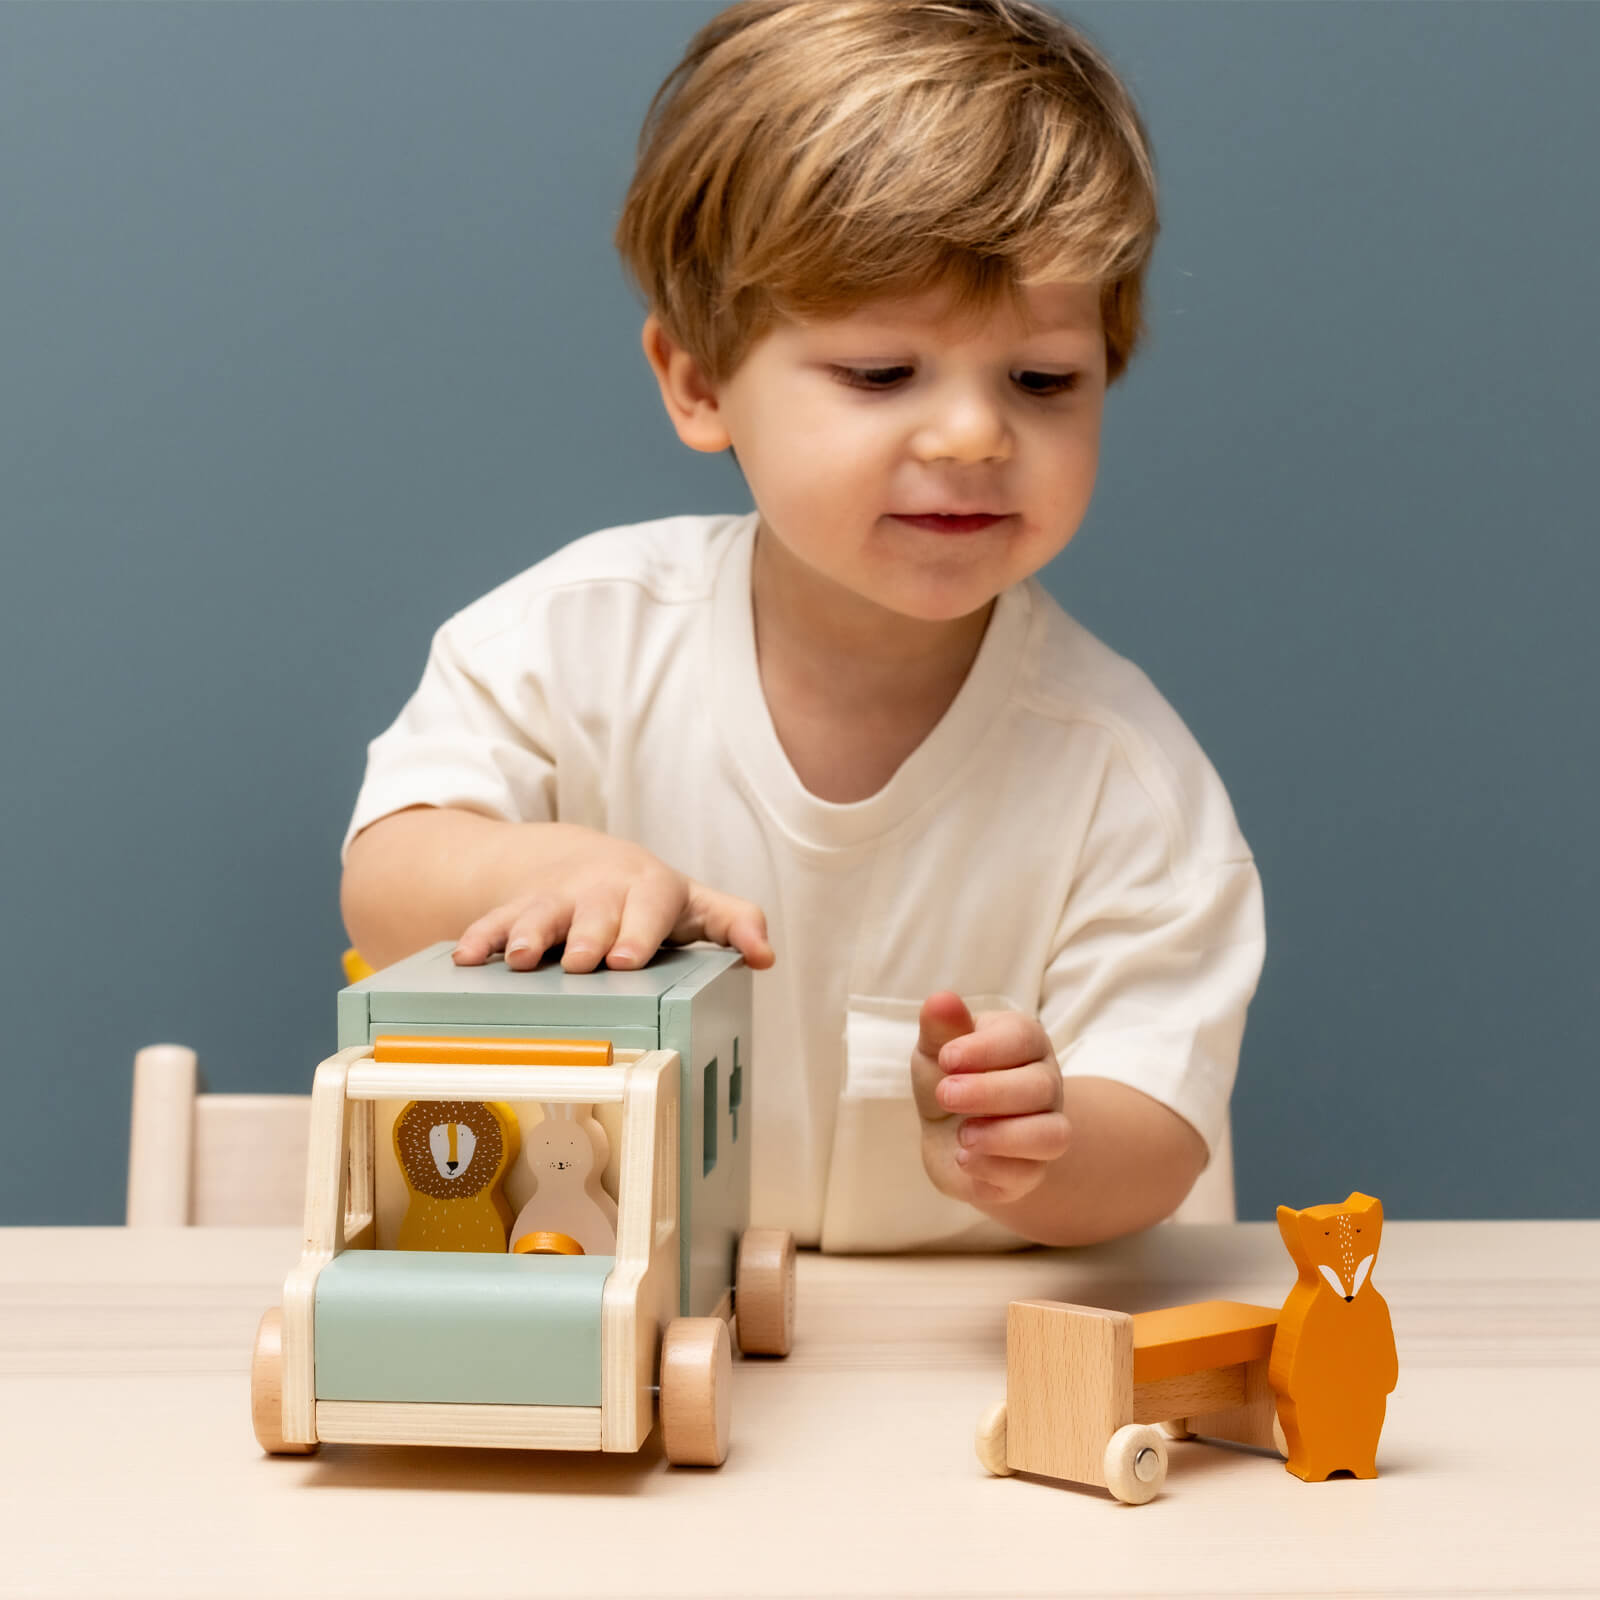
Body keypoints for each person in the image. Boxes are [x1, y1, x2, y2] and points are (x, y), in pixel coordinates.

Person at [339, 0, 1265, 1254]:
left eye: (1042, 380)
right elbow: (383, 884)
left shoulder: (1121, 775)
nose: (973, 436)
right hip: (599, 1323)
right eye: (882, 374)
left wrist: (1042, 1141)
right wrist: (536, 871)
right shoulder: (571, 645)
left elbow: (1159, 1130)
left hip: (935, 1378)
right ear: (700, 381)